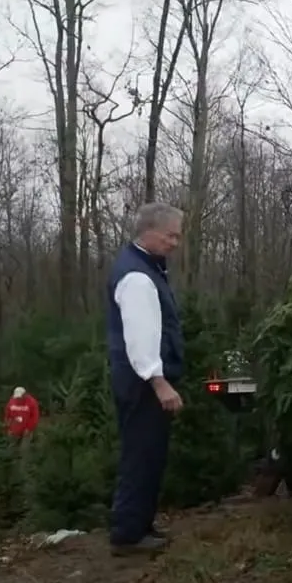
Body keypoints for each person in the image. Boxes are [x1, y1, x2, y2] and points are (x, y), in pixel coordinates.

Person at [107, 202, 186, 557]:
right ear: (149, 232)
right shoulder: (137, 277)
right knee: (141, 454)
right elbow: (141, 336)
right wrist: (159, 381)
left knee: (150, 453)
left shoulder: (149, 267)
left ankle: (141, 524)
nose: (175, 242)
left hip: (143, 380)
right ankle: (128, 535)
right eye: (170, 235)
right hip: (142, 383)